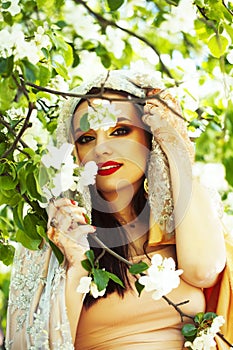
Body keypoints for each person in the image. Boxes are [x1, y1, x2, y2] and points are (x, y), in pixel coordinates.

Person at [5, 70, 231, 349]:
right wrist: (76, 265)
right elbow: (28, 343)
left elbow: (203, 271)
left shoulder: (184, 219)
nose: (102, 149)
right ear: (73, 153)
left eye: (120, 131)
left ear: (150, 139)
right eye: (86, 138)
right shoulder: (56, 231)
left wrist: (175, 147)